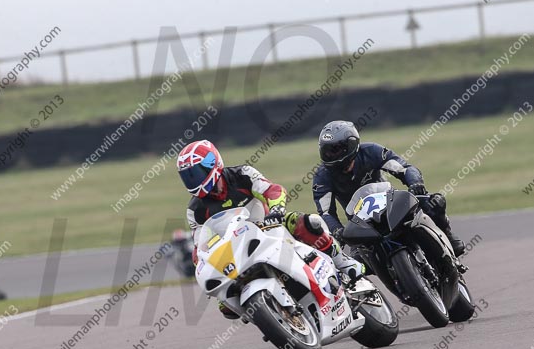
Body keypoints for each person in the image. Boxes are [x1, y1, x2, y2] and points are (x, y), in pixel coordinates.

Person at [177, 140, 364, 319]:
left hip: (269, 226)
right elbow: (199, 247)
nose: (193, 180)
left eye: (196, 173)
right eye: (188, 176)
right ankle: (277, 315)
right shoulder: (195, 210)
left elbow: (272, 190)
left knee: (306, 222)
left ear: (213, 163)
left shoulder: (242, 174)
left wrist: (276, 209)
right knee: (226, 306)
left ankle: (343, 263)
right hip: (236, 251)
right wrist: (204, 263)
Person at [312, 120, 465, 256]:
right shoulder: (322, 176)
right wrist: (338, 231)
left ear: (351, 145)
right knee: (356, 262)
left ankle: (448, 236)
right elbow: (326, 212)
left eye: (336, 150)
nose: (331, 155)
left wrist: (415, 183)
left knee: (434, 203)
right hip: (360, 223)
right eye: (326, 151)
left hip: (391, 204)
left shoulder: (371, 151)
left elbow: (404, 168)